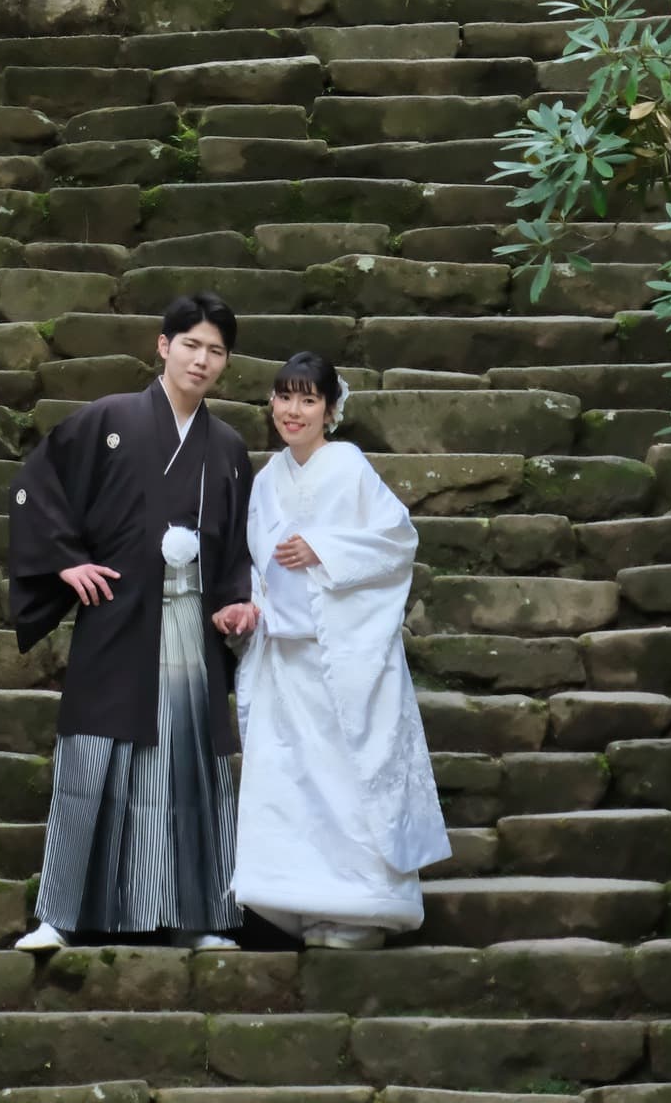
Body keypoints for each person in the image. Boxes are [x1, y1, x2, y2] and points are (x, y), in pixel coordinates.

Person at [7, 291, 257, 952]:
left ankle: (197, 919)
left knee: (190, 772)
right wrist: (65, 562)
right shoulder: (109, 420)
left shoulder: (228, 448)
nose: (202, 361)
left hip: (190, 628)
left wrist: (236, 602)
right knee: (90, 762)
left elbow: (236, 552)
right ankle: (57, 917)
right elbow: (39, 485)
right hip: (117, 618)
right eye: (192, 344)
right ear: (162, 345)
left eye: (216, 351)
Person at [232, 351, 451, 948]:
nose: (293, 411)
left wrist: (323, 549)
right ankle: (293, 904)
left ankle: (361, 911)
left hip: (342, 657)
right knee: (293, 786)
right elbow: (252, 561)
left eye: (308, 399)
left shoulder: (349, 467)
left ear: (330, 409)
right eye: (284, 397)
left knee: (348, 782)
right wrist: (250, 605)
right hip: (284, 653)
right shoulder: (265, 479)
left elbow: (397, 541)